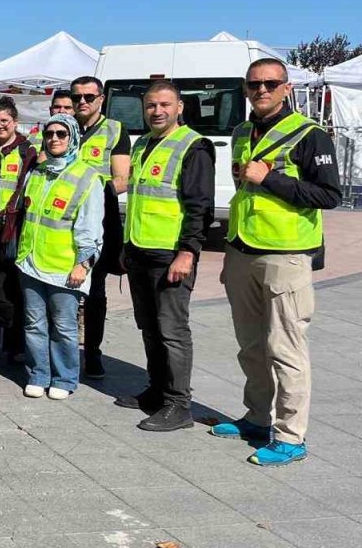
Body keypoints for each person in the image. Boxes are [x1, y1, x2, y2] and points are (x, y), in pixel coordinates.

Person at [212, 58, 340, 466]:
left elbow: (329, 195)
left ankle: (290, 435)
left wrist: (269, 178)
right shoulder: (241, 132)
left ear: (286, 88)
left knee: (285, 347)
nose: (261, 90)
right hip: (243, 250)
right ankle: (255, 417)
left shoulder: (309, 135)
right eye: (254, 84)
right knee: (250, 345)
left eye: (270, 83)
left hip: (285, 255)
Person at [116, 80, 214, 432]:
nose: (157, 111)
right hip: (141, 251)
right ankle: (156, 391)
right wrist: (127, 248)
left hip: (171, 255)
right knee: (150, 328)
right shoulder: (143, 143)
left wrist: (188, 252)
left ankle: (179, 404)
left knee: (172, 331)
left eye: (164, 105)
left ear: (180, 107)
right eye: (151, 105)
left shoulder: (193, 146)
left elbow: (199, 207)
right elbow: (140, 201)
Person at [14, 114, 103, 400]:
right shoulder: (37, 172)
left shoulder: (87, 177)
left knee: (63, 327)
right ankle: (39, 373)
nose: (54, 138)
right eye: (50, 133)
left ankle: (64, 378)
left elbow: (90, 225)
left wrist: (83, 263)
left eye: (61, 134)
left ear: (73, 137)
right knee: (33, 324)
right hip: (30, 262)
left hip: (64, 267)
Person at [70, 75, 130, 379]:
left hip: (99, 224)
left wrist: (89, 189)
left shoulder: (115, 130)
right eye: (77, 96)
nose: (82, 102)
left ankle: (92, 353)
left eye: (88, 97)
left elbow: (121, 179)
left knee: (95, 292)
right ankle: (64, 351)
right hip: (62, 222)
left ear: (101, 99)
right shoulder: (62, 128)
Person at [0, 97, 38, 358]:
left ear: (15, 122)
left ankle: (15, 345)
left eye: (4, 121)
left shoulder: (27, 151)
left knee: (12, 289)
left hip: (13, 230)